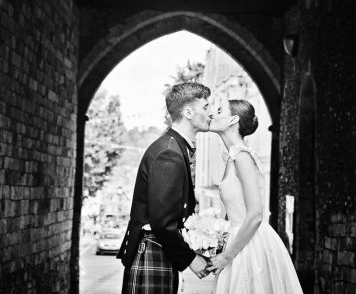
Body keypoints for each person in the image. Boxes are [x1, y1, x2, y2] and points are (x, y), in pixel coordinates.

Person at [118, 82, 213, 293]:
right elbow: (162, 221)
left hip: (158, 248)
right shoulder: (169, 152)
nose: (210, 113)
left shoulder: (173, 146)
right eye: (205, 107)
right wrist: (190, 259)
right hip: (153, 248)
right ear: (188, 112)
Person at [206, 99, 304, 294]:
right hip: (237, 239)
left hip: (250, 245)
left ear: (233, 119)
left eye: (218, 110)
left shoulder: (242, 157)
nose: (211, 114)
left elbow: (256, 214)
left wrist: (227, 256)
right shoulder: (233, 157)